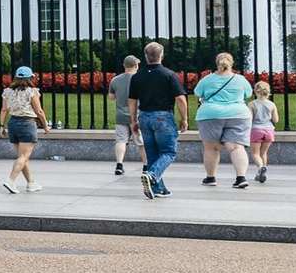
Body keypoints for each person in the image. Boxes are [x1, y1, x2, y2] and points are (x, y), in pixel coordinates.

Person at [127, 42, 189, 199]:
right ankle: (153, 175)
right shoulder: (169, 74)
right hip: (163, 116)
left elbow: (132, 101)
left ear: (146, 56)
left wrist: (134, 120)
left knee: (152, 154)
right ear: (161, 55)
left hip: (145, 116)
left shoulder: (137, 76)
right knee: (168, 151)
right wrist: (185, 119)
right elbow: (181, 99)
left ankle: (159, 189)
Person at [193, 52, 254, 189]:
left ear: (217, 63)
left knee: (211, 147)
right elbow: (248, 94)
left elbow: (197, 93)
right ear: (231, 63)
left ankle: (210, 178)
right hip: (238, 114)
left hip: (210, 115)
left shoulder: (207, 79)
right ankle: (241, 178)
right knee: (237, 147)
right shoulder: (240, 79)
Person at [0, 67, 49, 194]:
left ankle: (31, 183)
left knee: (22, 157)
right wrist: (45, 126)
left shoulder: (7, 91)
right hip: (27, 123)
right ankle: (10, 180)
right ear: (30, 78)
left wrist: (1, 125)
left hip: (13, 123)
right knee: (23, 157)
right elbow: (39, 111)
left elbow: (4, 110)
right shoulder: (32, 91)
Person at [108, 55, 142, 175]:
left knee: (121, 141)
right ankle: (146, 166)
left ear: (124, 65)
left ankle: (119, 165)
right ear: (136, 65)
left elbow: (111, 97)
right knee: (141, 142)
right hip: (137, 116)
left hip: (120, 116)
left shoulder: (115, 80)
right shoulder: (140, 79)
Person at [248, 80, 277, 183]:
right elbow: (276, 120)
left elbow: (249, 119)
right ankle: (263, 170)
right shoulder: (272, 104)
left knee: (255, 153)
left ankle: (260, 167)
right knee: (263, 153)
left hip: (256, 130)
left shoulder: (252, 104)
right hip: (269, 130)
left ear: (255, 91)